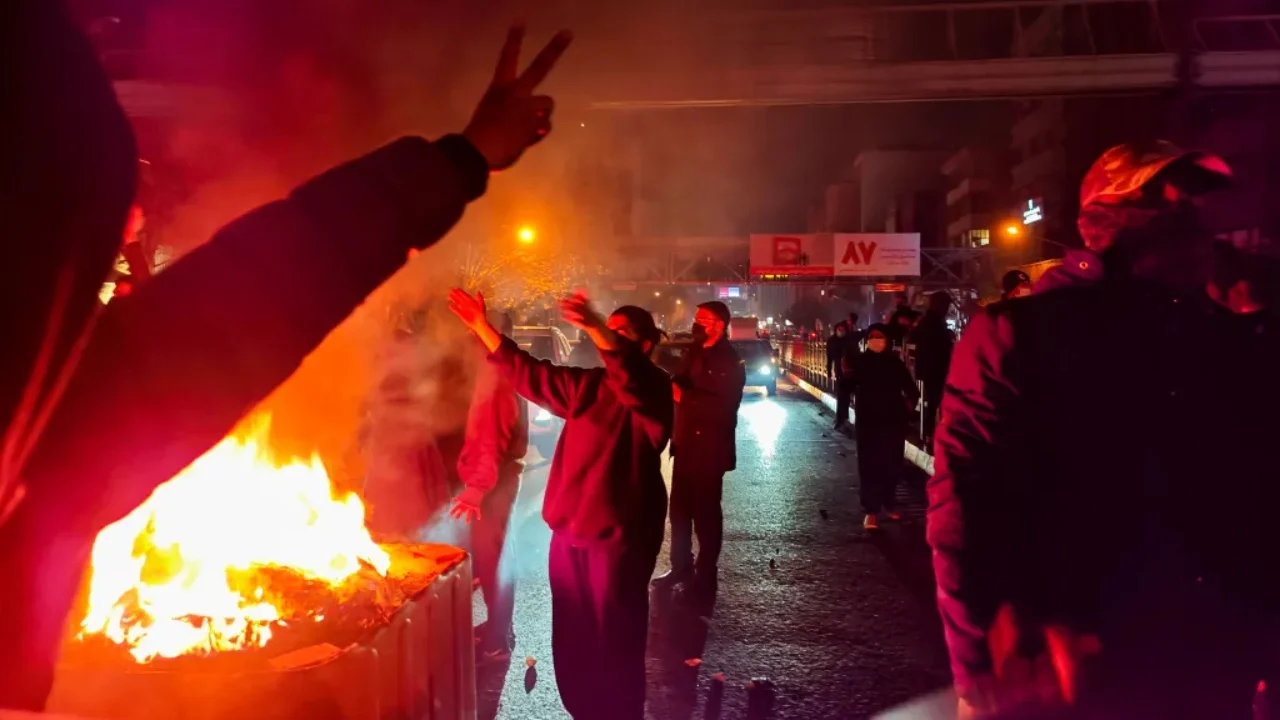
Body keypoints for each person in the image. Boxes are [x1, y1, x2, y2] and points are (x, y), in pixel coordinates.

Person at [0, 3, 571, 709]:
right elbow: (257, 292)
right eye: (107, 210)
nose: (135, 220)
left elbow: (252, 294)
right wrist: (460, 160)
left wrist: (459, 161)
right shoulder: (55, 430)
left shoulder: (52, 423)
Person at [927, 140, 1280, 719]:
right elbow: (964, 506)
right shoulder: (1020, 335)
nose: (1187, 219)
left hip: (1213, 665)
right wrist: (978, 666)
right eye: (1161, 201)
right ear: (1106, 219)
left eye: (1191, 204)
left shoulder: (1228, 339)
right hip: (1067, 672)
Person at [447, 288, 672, 720]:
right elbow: (528, 373)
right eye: (608, 330)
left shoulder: (654, 387)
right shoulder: (587, 386)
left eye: (620, 333)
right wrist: (481, 327)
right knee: (571, 637)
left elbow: (630, 376)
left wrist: (594, 324)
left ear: (644, 345)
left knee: (615, 638)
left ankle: (619, 713)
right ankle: (582, 710)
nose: (608, 339)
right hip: (568, 535)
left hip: (617, 543)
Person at [654, 300, 744, 603]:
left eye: (703, 319)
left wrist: (683, 396)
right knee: (679, 513)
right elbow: (677, 379)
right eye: (696, 317)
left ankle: (705, 573)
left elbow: (725, 407)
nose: (696, 323)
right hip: (685, 444)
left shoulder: (729, 360)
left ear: (719, 324)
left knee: (706, 515)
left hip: (710, 448)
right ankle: (680, 567)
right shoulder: (695, 351)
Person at [452, 312, 528, 663]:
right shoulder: (502, 364)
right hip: (498, 478)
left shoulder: (493, 372)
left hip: (493, 482)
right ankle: (500, 629)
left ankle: (497, 641)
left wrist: (477, 488)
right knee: (495, 558)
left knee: (492, 560)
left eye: (470, 331)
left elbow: (490, 434)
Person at [848, 324, 918, 531]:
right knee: (869, 466)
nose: (876, 340)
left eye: (880, 336)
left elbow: (911, 389)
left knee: (891, 464)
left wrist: (906, 409)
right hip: (868, 422)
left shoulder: (894, 363)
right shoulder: (860, 362)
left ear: (887, 340)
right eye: (873, 337)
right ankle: (871, 511)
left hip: (892, 422)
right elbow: (847, 384)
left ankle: (889, 503)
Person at [908, 291, 954, 447]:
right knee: (933, 403)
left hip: (932, 368)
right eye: (945, 305)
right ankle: (928, 434)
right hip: (934, 369)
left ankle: (928, 433)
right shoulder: (932, 323)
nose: (947, 309)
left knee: (933, 403)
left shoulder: (929, 321)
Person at [826, 322, 852, 427]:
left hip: (850, 371)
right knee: (841, 396)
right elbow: (829, 357)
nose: (841, 332)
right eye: (839, 329)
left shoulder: (849, 340)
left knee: (846, 396)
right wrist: (828, 371)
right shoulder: (832, 341)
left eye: (843, 329)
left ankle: (843, 418)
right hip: (839, 371)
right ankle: (840, 419)